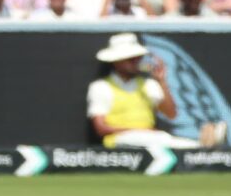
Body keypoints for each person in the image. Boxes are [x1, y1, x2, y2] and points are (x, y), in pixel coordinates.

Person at [87, 33, 221, 148]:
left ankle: (199, 148)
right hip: (119, 141)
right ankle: (201, 148)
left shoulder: (148, 84)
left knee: (163, 140)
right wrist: (140, 131)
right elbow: (101, 128)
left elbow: (171, 114)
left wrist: (161, 81)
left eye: (137, 58)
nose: (136, 62)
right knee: (161, 140)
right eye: (130, 59)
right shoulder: (101, 87)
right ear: (116, 61)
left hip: (151, 140)